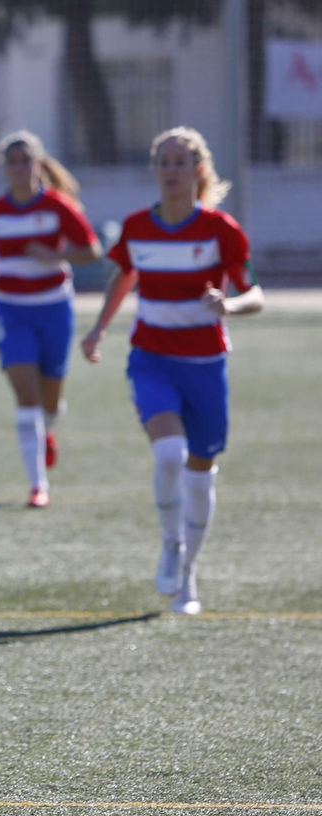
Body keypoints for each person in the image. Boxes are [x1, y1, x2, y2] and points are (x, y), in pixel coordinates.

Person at [80, 127, 263, 616]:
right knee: (168, 455)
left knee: (200, 472)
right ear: (155, 170)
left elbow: (255, 293)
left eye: (182, 161)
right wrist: (98, 329)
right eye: (165, 161)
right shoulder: (138, 226)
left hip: (205, 364)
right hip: (152, 360)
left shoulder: (221, 228)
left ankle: (188, 578)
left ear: (198, 170)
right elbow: (124, 276)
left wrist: (230, 305)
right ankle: (170, 543)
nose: (172, 170)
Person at [0, 130, 103, 508]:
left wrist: (53, 256)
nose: (19, 168)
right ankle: (38, 485)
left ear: (38, 165)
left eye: (25, 160)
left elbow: (92, 250)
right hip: (11, 310)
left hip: (54, 307)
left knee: (51, 401)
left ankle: (47, 430)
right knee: (26, 397)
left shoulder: (58, 207)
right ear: (4, 168)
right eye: (12, 161)